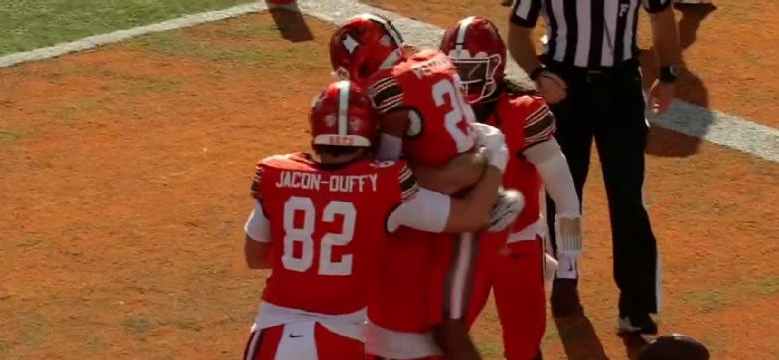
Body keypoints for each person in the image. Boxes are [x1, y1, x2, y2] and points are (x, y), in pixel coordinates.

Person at [242, 80, 525, 359]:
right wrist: (496, 157)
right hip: (338, 339)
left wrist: (310, 257)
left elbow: (255, 256)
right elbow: (470, 215)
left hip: (272, 332)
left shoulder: (276, 173)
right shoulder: (384, 183)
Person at [329, 13, 515, 359]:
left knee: (447, 327)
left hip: (464, 207)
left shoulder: (386, 90)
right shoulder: (434, 60)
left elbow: (386, 174)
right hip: (458, 186)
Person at [507, 0, 682, 334]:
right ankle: (566, 270)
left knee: (627, 195)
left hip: (620, 86)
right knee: (564, 192)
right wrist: (538, 74)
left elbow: (661, 16)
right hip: (565, 86)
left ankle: (635, 304)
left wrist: (669, 73)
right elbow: (517, 31)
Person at [439, 16, 583, 360]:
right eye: (456, 70)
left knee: (523, 349)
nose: (463, 80)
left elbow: (565, 197)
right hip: (462, 247)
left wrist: (569, 266)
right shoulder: (439, 112)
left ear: (495, 68)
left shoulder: (522, 112)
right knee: (439, 341)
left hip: (518, 246)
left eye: (472, 70)